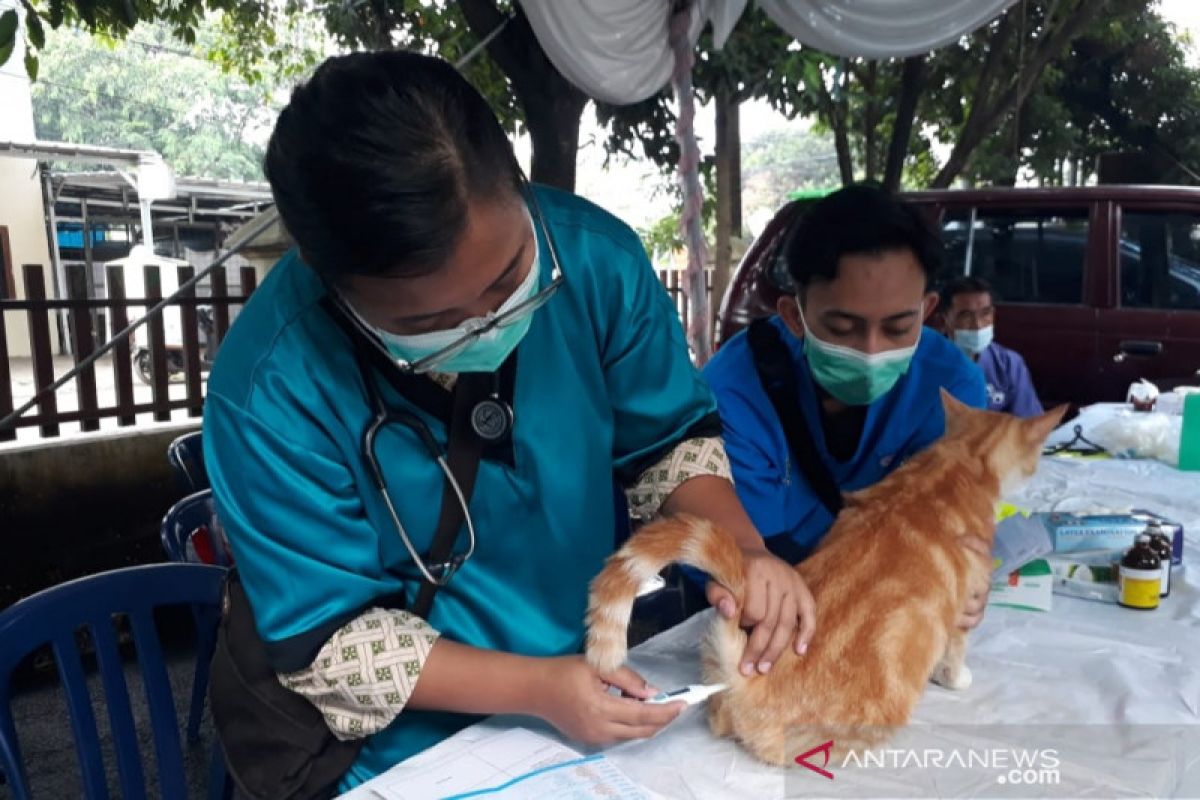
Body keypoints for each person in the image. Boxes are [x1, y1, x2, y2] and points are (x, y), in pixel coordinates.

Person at [202, 51, 813, 791]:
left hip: (590, 683)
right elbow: (333, 638)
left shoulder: (597, 265)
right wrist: (537, 688)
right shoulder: (269, 387)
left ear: (520, 187)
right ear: (330, 283)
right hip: (397, 752)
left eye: (506, 278)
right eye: (431, 322)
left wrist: (741, 551)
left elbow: (668, 448)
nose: (485, 325)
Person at [701, 185, 989, 624]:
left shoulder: (952, 390)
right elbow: (754, 569)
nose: (871, 352)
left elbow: (944, 524)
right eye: (841, 328)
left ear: (928, 310)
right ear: (795, 316)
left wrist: (960, 574)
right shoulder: (733, 392)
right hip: (773, 605)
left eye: (897, 328)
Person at [940, 276, 1044, 418]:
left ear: (993, 314)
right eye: (966, 316)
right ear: (945, 319)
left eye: (985, 314)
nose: (977, 325)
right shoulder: (926, 363)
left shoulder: (1009, 364)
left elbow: (1028, 424)